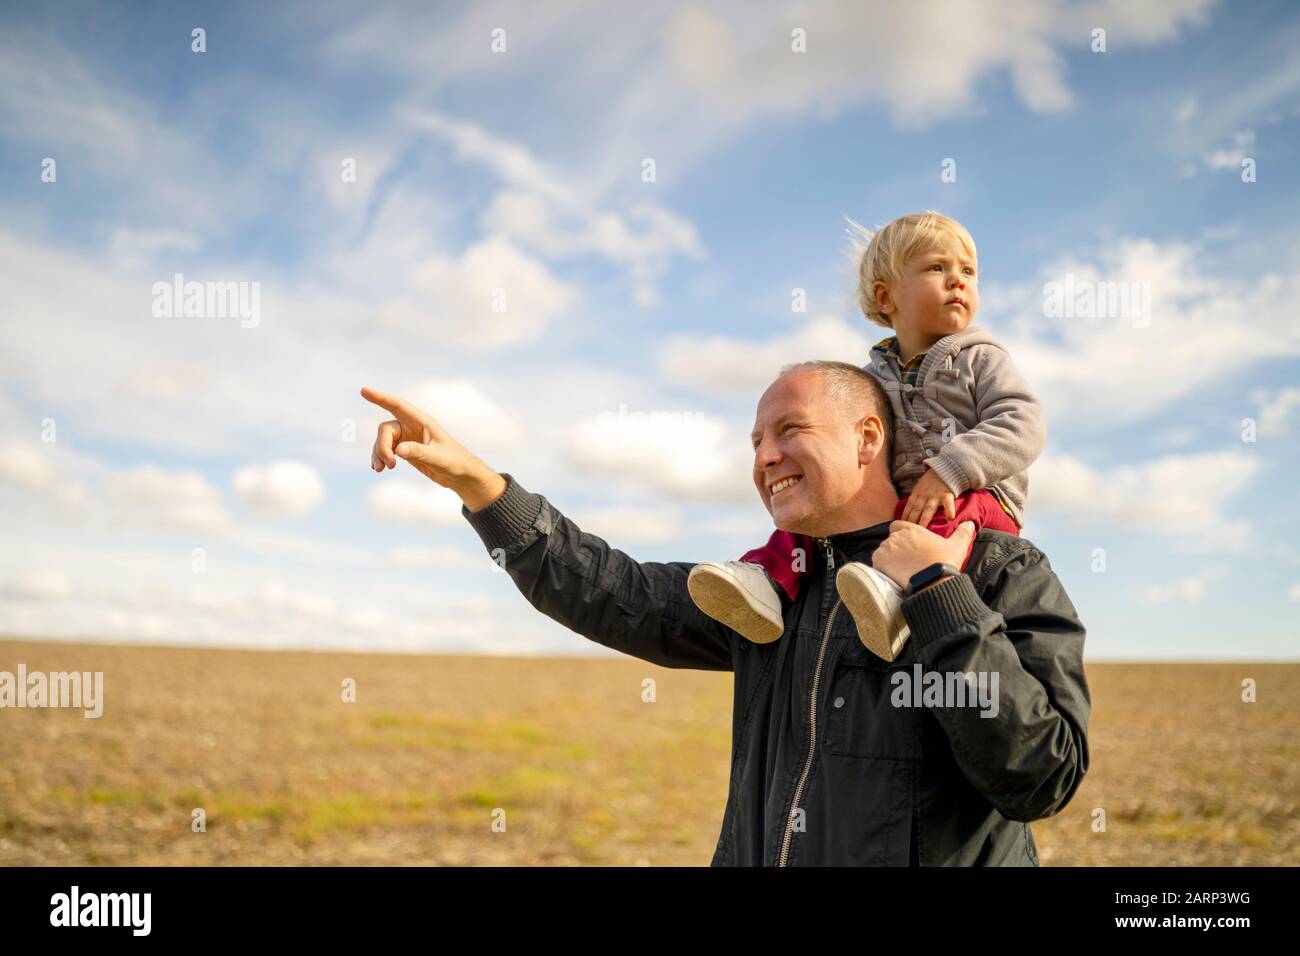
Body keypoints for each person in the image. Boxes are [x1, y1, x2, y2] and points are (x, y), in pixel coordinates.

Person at [359, 364, 1090, 867]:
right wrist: (480, 485)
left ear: (869, 437)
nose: (766, 457)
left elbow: (1040, 775)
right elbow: (614, 591)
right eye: (755, 443)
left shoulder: (992, 569)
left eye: (789, 431)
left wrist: (935, 593)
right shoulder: (768, 591)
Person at [688, 211, 1045, 664]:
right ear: (886, 296)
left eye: (969, 271)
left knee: (953, 517)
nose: (958, 281)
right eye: (938, 268)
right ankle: (765, 580)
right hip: (906, 500)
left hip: (981, 495)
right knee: (818, 501)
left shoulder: (981, 359)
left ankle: (899, 598)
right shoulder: (872, 377)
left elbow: (1023, 424)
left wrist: (950, 471)